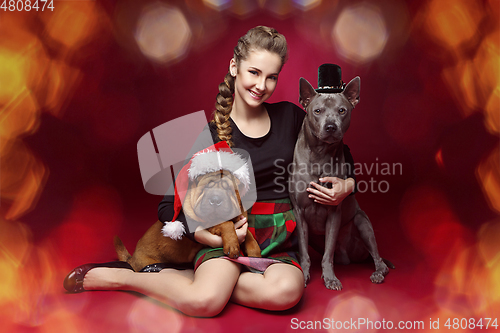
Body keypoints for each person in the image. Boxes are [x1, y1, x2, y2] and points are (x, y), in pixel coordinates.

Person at [63, 26, 356, 317]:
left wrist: (348, 184)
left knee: (286, 294)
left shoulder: (292, 116)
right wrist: (205, 236)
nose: (261, 85)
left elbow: (335, 149)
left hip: (278, 236)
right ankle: (126, 277)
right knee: (205, 302)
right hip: (227, 236)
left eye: (271, 77)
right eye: (254, 72)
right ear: (234, 67)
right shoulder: (212, 134)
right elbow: (168, 205)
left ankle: (192, 279)